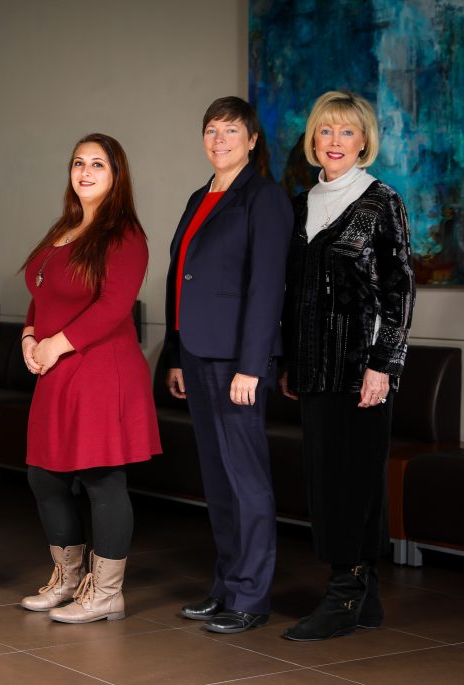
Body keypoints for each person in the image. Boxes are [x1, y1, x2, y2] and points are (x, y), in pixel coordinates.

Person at [279, 90, 415, 641]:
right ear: (314, 140)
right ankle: (367, 594)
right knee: (324, 479)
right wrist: (291, 361)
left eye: (347, 133)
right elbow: (295, 292)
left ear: (364, 142)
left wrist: (383, 366)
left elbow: (400, 293)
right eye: (325, 132)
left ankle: (344, 591)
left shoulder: (382, 202)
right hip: (313, 368)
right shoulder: (300, 204)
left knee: (355, 481)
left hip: (364, 368)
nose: (334, 142)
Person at [19, 133, 161, 624]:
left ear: (116, 175)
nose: (84, 172)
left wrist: (55, 345)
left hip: (102, 369)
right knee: (45, 476)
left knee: (101, 479)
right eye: (78, 163)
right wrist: (29, 337)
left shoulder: (125, 236)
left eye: (97, 164)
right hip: (57, 370)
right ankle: (67, 578)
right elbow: (42, 291)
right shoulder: (66, 228)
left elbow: (112, 307)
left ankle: (106, 592)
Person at [164, 96, 293, 634]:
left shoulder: (263, 199)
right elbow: (181, 277)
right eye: (212, 130)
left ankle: (251, 596)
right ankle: (225, 586)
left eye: (231, 131)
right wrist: (174, 353)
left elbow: (267, 288)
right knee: (218, 481)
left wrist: (252, 365)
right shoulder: (200, 196)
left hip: (237, 361)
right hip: (196, 354)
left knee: (247, 479)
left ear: (253, 140)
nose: (220, 140)